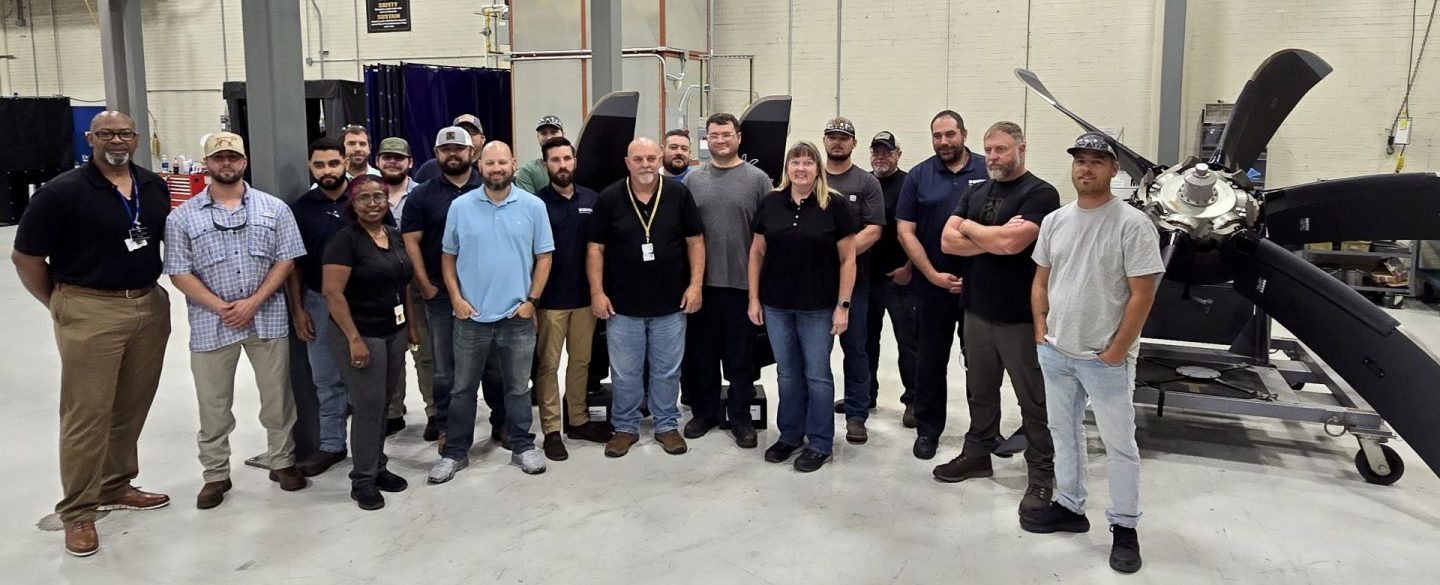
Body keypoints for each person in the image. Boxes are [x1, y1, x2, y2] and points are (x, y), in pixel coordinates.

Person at [12, 111, 172, 557]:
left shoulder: (152, 185)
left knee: (131, 403)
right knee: (87, 415)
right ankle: (79, 511)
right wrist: (62, 304)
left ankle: (116, 484)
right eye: (105, 134)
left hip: (148, 303)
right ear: (90, 139)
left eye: (123, 133)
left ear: (137, 139)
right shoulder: (61, 192)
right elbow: (26, 257)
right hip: (89, 306)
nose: (115, 140)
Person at [1022, 131, 1165, 574]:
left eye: (1096, 161)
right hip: (1057, 352)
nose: (1086, 168)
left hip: (1105, 358)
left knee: (1119, 445)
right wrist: (1042, 330)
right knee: (1064, 434)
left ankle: (1125, 526)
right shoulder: (1056, 221)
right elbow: (1042, 281)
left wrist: (1117, 349)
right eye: (1080, 160)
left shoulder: (1132, 224)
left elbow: (1143, 295)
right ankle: (1069, 506)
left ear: (1113, 169)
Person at [163, 132, 309, 510]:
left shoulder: (274, 209)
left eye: (233, 158)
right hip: (212, 326)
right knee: (213, 405)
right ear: (207, 164)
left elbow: (287, 259)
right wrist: (221, 306)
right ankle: (215, 474)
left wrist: (254, 302)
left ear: (244, 162)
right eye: (218, 158)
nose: (226, 164)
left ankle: (282, 462)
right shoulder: (181, 217)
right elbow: (179, 271)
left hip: (267, 320)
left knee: (277, 399)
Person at [935, 122, 1060, 514]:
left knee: (1034, 402)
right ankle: (978, 453)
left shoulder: (1040, 193)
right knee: (980, 392)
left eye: (1001, 149)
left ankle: (1041, 474)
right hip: (976, 312)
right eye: (988, 149)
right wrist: (992, 234)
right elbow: (945, 240)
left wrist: (973, 230)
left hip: (1021, 318)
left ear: (1022, 148)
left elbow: (1011, 244)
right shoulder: (977, 190)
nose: (993, 157)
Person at [429, 141, 555, 482]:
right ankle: (455, 452)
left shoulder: (532, 206)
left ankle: (522, 446)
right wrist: (455, 297)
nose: (496, 168)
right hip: (471, 318)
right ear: (478, 164)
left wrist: (533, 300)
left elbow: (544, 256)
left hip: (517, 316)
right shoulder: (461, 206)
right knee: (462, 389)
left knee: (517, 388)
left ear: (513, 164)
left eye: (502, 162)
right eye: (489, 162)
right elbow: (448, 256)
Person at [588, 137, 706, 458]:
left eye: (651, 158)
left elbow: (695, 241)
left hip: (670, 303)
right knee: (625, 371)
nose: (645, 165)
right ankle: (625, 427)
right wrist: (597, 292)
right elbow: (595, 249)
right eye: (638, 159)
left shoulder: (679, 194)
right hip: (622, 305)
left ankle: (666, 425)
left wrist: (695, 285)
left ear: (659, 160)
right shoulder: (610, 197)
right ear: (627, 162)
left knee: (667, 369)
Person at [747, 141, 858, 472]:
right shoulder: (771, 203)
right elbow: (756, 253)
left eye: (807, 163)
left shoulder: (834, 206)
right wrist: (754, 298)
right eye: (795, 162)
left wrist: (843, 306)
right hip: (777, 306)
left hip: (818, 307)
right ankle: (790, 436)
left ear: (817, 168)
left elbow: (848, 258)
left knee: (817, 375)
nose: (801, 168)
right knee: (786, 373)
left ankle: (820, 442)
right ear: (787, 168)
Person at [401, 127, 510, 449]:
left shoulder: (492, 189)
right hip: (440, 295)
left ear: (471, 154)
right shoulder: (421, 195)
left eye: (458, 149)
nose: (452, 154)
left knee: (494, 368)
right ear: (436, 155)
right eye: (445, 149)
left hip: (486, 294)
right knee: (445, 370)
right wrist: (424, 284)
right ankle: (447, 427)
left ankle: (501, 424)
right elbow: (411, 242)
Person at [321, 175, 419, 510]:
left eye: (379, 196)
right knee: (368, 405)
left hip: (392, 330)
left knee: (384, 402)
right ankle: (362, 480)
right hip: (360, 332)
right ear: (353, 202)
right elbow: (332, 294)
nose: (373, 203)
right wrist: (354, 339)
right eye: (365, 198)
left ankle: (378, 466)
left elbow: (403, 283)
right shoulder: (344, 241)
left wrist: (411, 327)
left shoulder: (392, 236)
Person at [896, 110, 988, 460]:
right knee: (930, 363)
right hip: (931, 287)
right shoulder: (919, 175)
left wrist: (973, 274)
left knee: (980, 366)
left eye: (950, 134)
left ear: (964, 133)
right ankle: (928, 430)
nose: (944, 142)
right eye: (937, 136)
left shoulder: (985, 171)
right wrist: (932, 274)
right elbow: (906, 230)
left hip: (978, 288)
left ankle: (982, 434)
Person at [680, 113, 772, 448]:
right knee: (702, 356)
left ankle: (741, 418)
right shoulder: (693, 180)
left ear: (739, 137)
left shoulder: (758, 180)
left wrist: (759, 291)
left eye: (726, 135)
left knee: (741, 359)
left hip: (743, 288)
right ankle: (704, 413)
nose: (720, 141)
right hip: (703, 286)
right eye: (714, 136)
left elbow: (766, 238)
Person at [534, 137, 612, 459]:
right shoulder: (535, 204)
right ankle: (552, 430)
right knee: (548, 366)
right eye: (555, 160)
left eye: (567, 158)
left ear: (575, 162)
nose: (562, 165)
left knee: (581, 363)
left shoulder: (593, 200)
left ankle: (577, 420)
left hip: (585, 300)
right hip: (550, 302)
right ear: (546, 165)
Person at [286, 137, 355, 477]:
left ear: (345, 162)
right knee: (326, 378)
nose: (327, 171)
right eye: (319, 165)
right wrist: (298, 310)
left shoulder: (364, 198)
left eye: (333, 163)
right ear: (311, 167)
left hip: (362, 301)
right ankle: (332, 444)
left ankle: (372, 448)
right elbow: (294, 265)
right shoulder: (300, 209)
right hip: (317, 301)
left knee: (367, 379)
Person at [820, 117, 885, 445]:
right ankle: (816, 412)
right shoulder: (811, 179)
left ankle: (857, 415)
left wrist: (841, 256)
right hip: (814, 286)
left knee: (856, 349)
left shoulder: (865, 182)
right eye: (832, 137)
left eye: (844, 138)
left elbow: (873, 229)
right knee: (817, 352)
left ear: (853, 144)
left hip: (856, 284)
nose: (837, 142)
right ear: (824, 141)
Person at [860, 131, 919, 428]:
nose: (880, 157)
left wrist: (909, 266)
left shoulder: (910, 184)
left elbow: (919, 230)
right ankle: (865, 396)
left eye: (886, 151)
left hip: (899, 279)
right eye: (876, 151)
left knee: (908, 343)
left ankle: (913, 402)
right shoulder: (864, 182)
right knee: (865, 342)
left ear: (898, 153)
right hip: (865, 280)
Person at [376, 136, 431, 436]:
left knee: (425, 353)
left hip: (418, 287)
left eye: (399, 158)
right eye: (387, 157)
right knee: (390, 355)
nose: (393, 162)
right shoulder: (368, 193)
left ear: (410, 162)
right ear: (378, 161)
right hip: (383, 290)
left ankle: (434, 411)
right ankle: (393, 412)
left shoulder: (423, 195)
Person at [414, 114, 486, 184]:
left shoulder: (490, 167)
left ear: (482, 139)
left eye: (472, 131)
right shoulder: (430, 168)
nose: (466, 135)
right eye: (460, 131)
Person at [514, 115, 565, 194]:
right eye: (544, 133)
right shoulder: (528, 171)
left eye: (554, 132)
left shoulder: (577, 165)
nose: (549, 138)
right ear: (538, 137)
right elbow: (528, 204)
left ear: (563, 134)